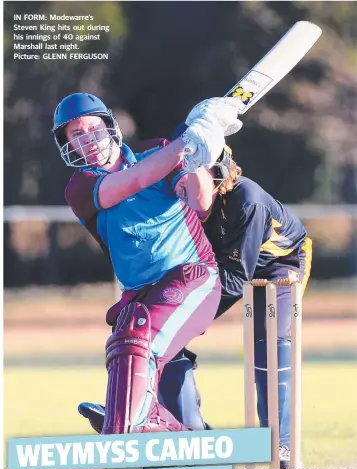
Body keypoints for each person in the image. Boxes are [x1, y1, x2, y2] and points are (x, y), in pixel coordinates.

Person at [80, 122, 312, 469]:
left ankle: (280, 445)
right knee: (168, 341)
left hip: (280, 263)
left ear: (220, 164)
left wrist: (180, 316)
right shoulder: (183, 196)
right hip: (222, 269)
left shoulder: (245, 199)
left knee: (268, 345)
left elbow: (234, 279)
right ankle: (184, 431)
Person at [52, 93, 242, 434]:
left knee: (139, 339)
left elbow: (200, 201)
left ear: (109, 127)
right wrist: (187, 138)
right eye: (76, 134)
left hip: (192, 276)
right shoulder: (80, 187)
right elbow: (134, 181)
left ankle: (127, 422)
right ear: (69, 145)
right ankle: (162, 429)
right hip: (142, 295)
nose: (86, 139)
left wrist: (200, 152)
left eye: (91, 129)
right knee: (128, 342)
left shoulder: (158, 149)